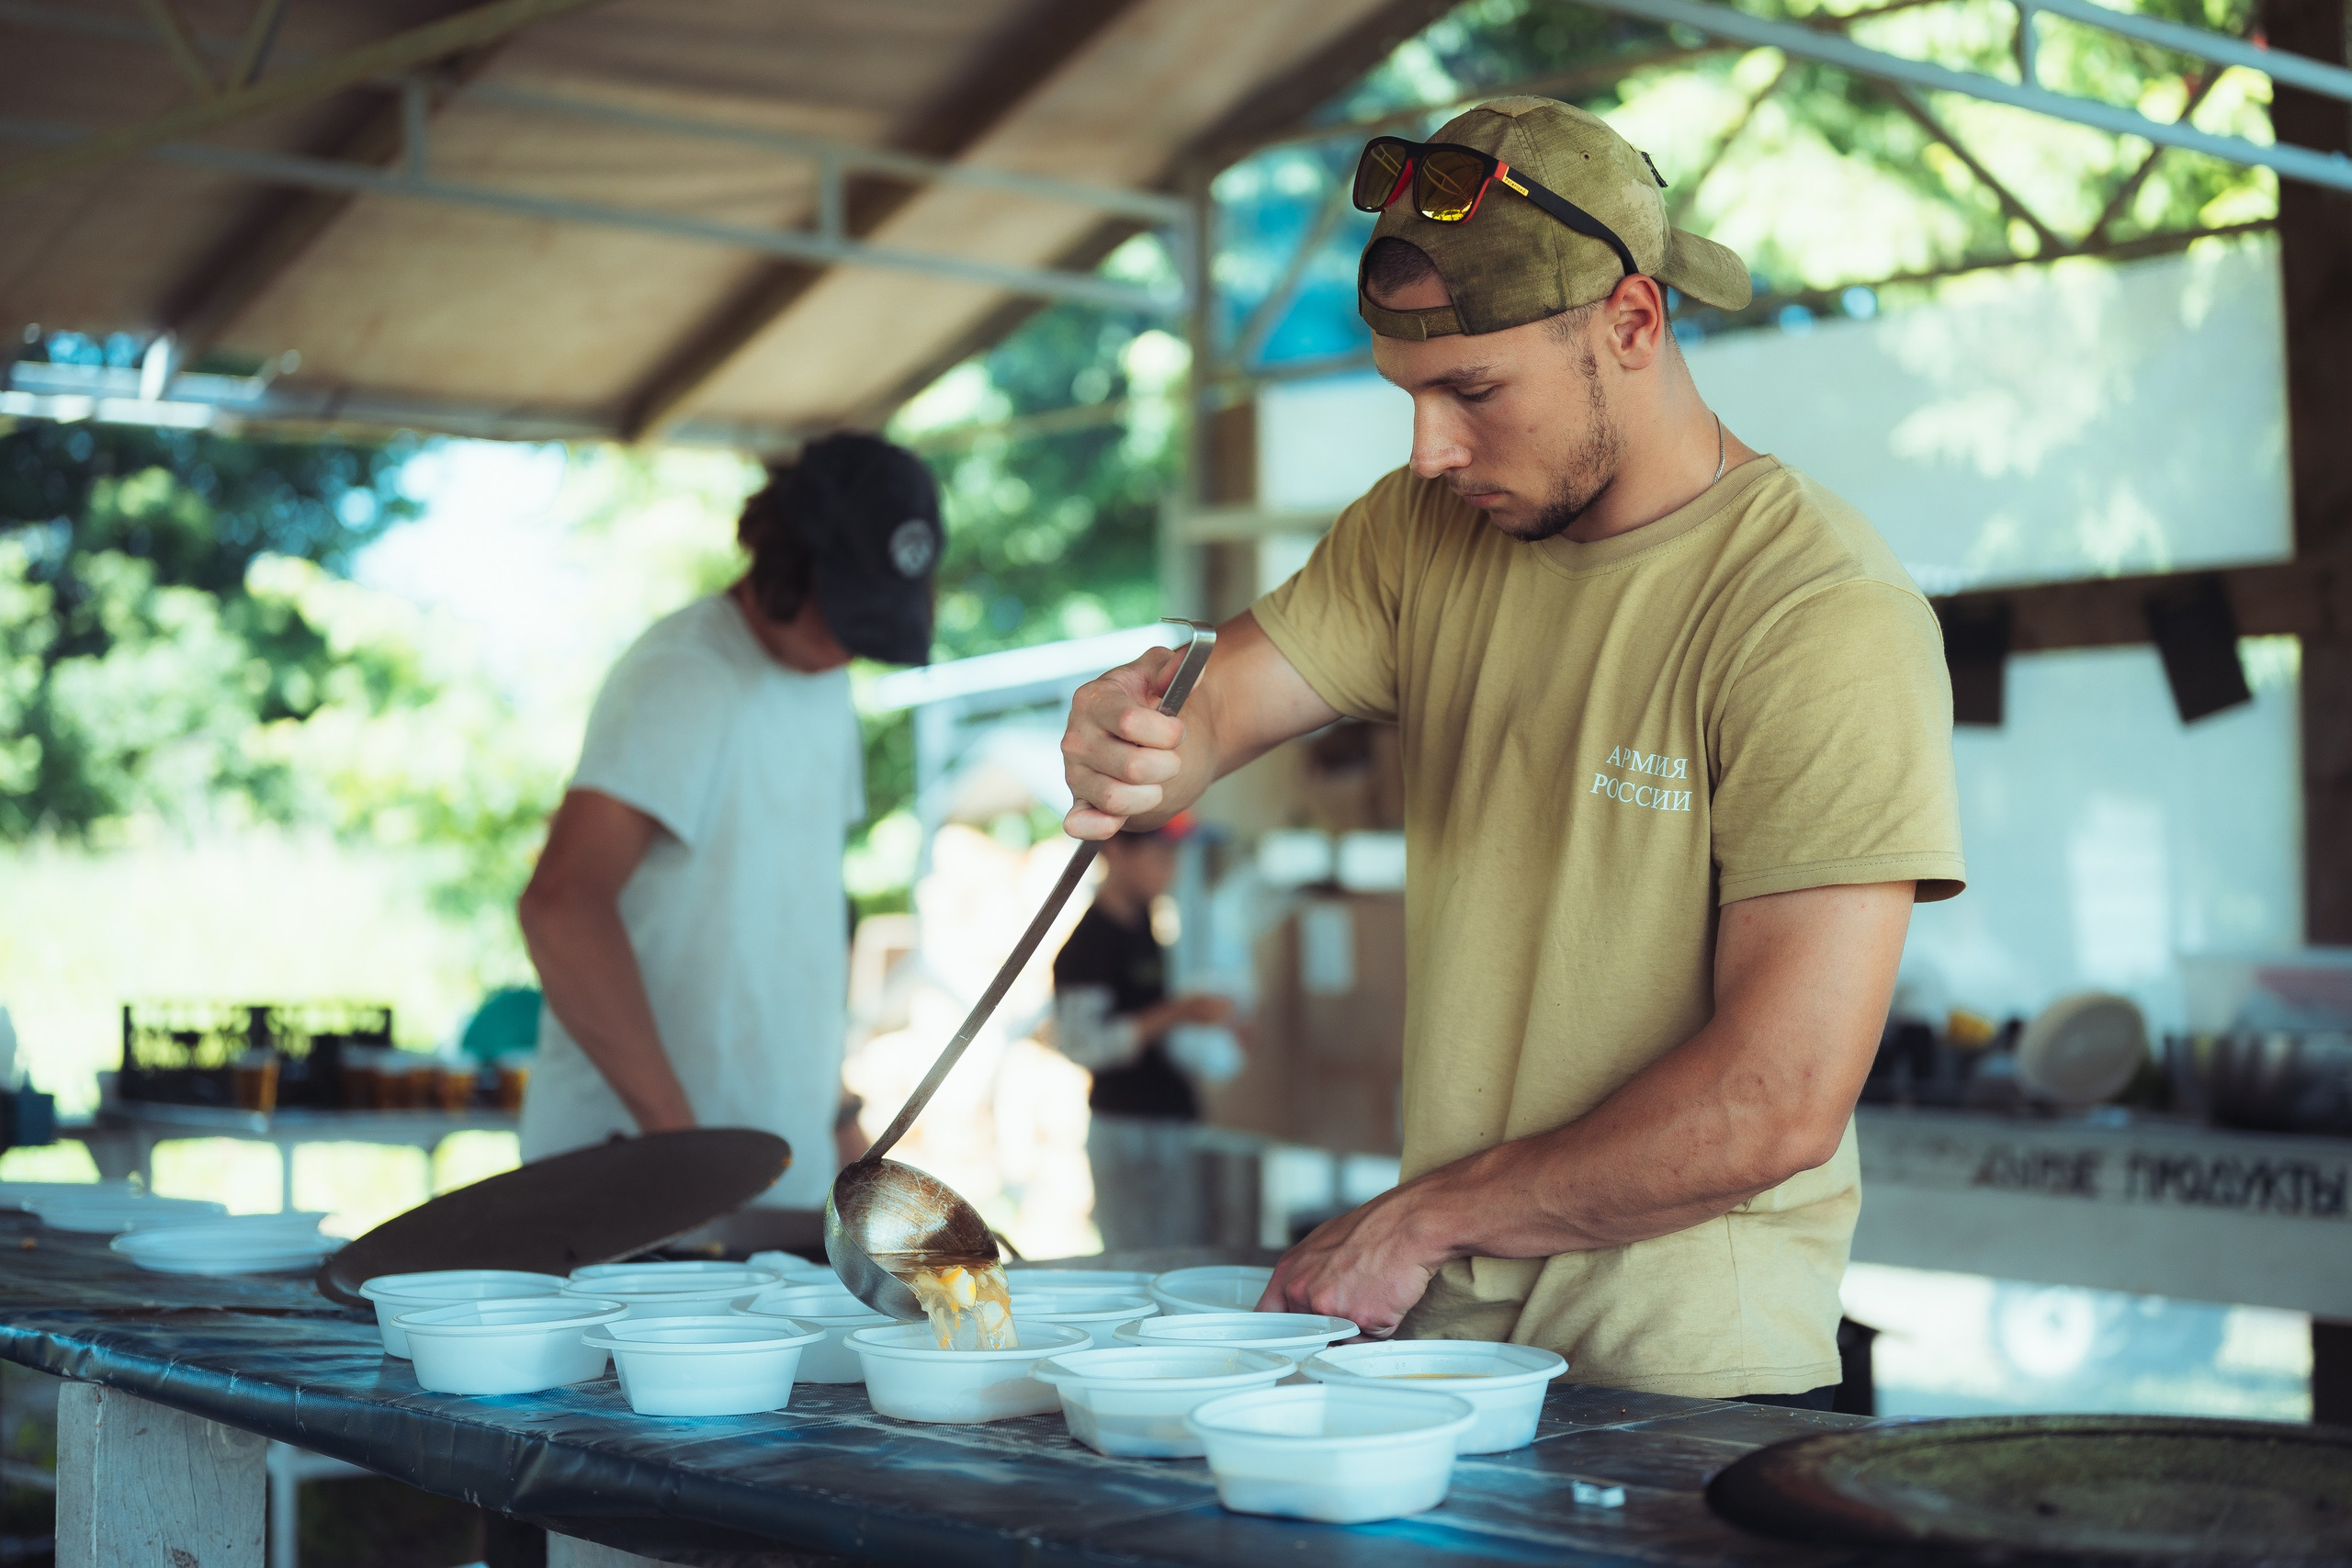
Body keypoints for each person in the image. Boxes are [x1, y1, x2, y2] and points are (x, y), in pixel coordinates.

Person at [1057, 98, 1965, 1404]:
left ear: (1633, 325)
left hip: (1684, 1384)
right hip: (1455, 1364)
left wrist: (1424, 1216)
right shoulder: (1425, 533)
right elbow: (1213, 708)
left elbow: (1774, 1099)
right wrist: (1135, 739)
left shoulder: (1815, 613)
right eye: (1409, 394)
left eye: (1472, 389)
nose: (1430, 450)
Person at [516, 434, 942, 1210]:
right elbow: (561, 906)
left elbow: (798, 924)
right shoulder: (687, 674)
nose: (851, 643)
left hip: (773, 1184)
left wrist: (839, 1119)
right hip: (637, 1190)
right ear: (783, 560)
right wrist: (684, 1152)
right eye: (843, 610)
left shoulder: (827, 686)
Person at [1050, 816, 1237, 1250]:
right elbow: (1084, 1045)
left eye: (1173, 856)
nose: (1169, 869)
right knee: (1140, 1262)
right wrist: (1176, 1013)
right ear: (1114, 852)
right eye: (1157, 855)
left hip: (1170, 1120)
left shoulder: (1147, 929)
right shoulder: (1085, 949)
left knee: (1184, 1255)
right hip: (1126, 1128)